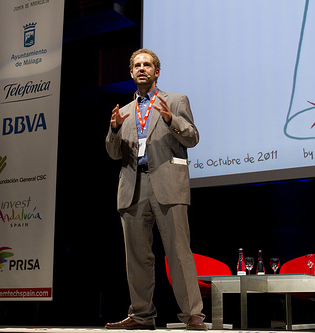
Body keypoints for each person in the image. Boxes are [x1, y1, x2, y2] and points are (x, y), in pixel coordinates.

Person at [105, 49, 206, 330]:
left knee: (178, 251)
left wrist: (172, 120)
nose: (141, 69)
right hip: (132, 188)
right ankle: (140, 315)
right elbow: (114, 154)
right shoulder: (123, 112)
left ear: (156, 71)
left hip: (167, 183)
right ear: (130, 72)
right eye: (137, 65)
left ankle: (192, 315)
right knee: (137, 256)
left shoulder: (174, 101)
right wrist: (114, 130)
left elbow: (193, 137)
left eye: (147, 65)